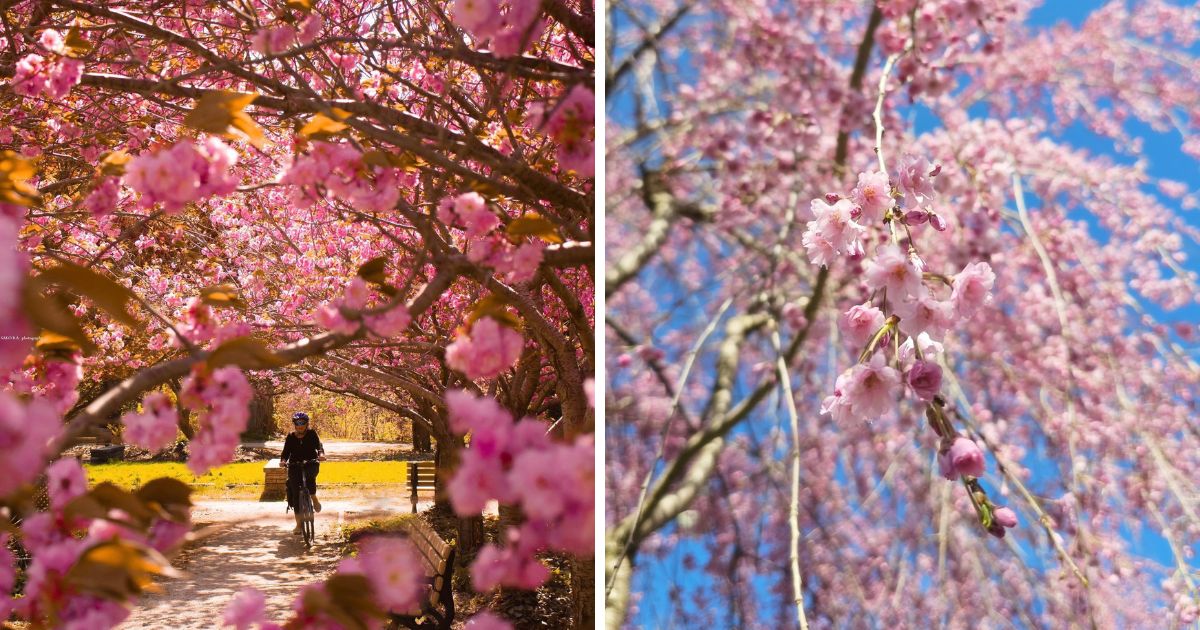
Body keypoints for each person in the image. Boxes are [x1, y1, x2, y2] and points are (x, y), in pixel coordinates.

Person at [280, 412, 325, 533]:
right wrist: (283, 461)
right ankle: (298, 525)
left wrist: (321, 455)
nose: (300, 426)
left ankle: (313, 498)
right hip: (294, 465)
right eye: (297, 423)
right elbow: (285, 452)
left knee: (310, 479)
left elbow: (319, 446)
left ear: (306, 424)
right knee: (295, 493)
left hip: (311, 462)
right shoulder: (290, 437)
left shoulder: (312, 434)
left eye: (302, 423)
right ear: (294, 424)